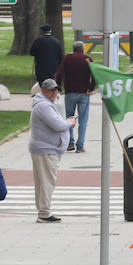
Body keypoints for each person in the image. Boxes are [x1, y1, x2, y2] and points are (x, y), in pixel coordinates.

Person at [29, 78, 76, 223]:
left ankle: (42, 211)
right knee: (47, 182)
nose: (55, 92)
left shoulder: (45, 104)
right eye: (52, 90)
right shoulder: (44, 106)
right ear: (44, 91)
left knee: (43, 182)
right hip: (46, 149)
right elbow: (58, 125)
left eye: (56, 89)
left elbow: (56, 120)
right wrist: (69, 122)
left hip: (44, 148)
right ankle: (44, 213)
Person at [54, 41, 96, 153]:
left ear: (73, 48)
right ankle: (80, 145)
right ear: (83, 48)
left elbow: (59, 73)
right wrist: (91, 88)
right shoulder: (88, 59)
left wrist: (58, 87)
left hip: (70, 93)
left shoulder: (68, 58)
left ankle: (70, 143)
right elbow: (95, 74)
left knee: (69, 118)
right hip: (84, 93)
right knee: (83, 120)